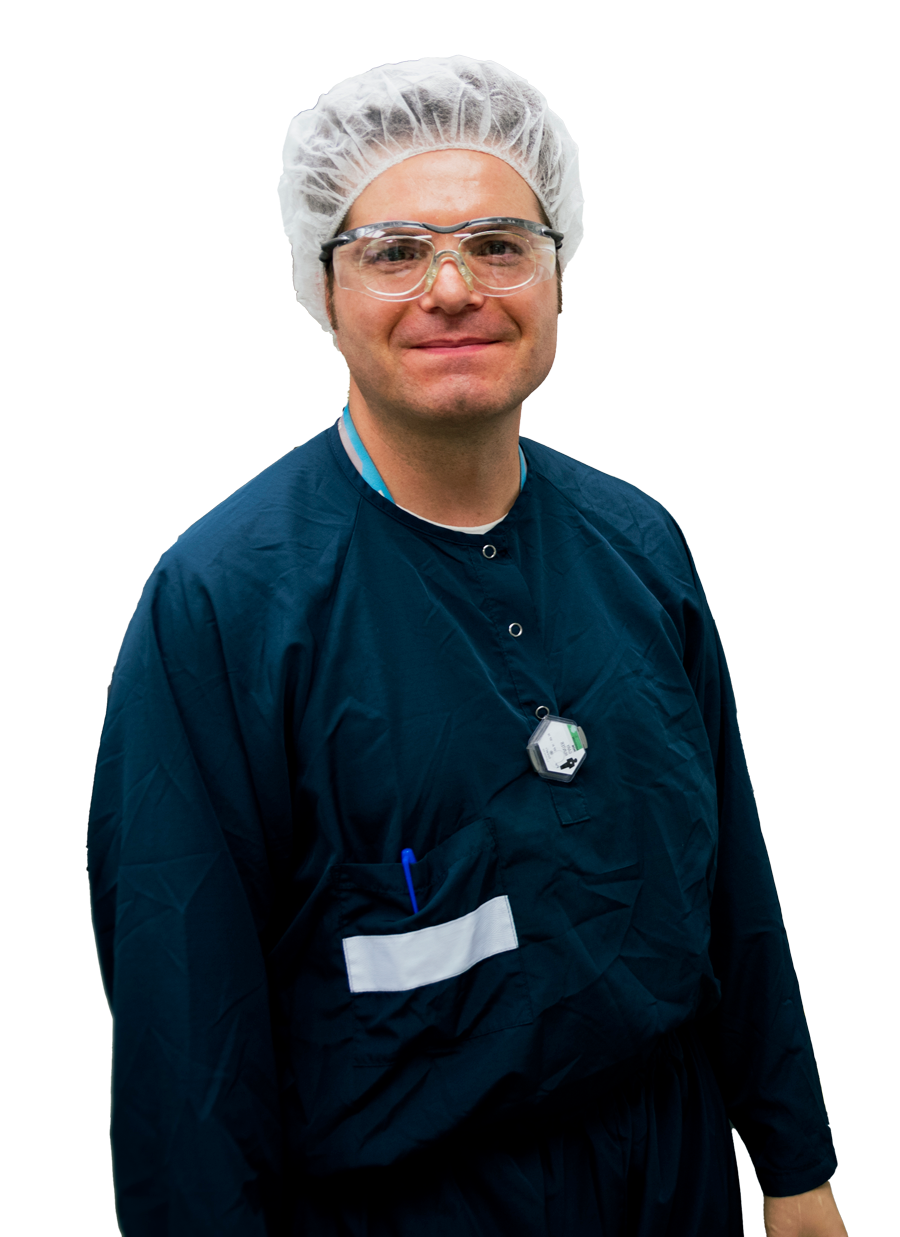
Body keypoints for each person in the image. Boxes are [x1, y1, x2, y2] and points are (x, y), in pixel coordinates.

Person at [88, 57, 847, 1236]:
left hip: (675, 1176)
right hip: (410, 1203)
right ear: (325, 290)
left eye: (502, 243)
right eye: (395, 251)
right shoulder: (224, 606)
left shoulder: (637, 545)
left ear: (556, 281)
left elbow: (731, 900)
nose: (454, 286)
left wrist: (796, 1173)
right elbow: (193, 1053)